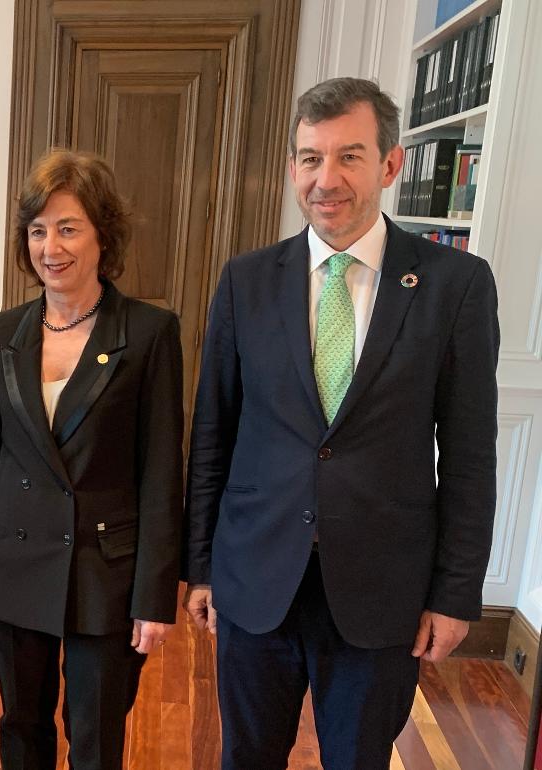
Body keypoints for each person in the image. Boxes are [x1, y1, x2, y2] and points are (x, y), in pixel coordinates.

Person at [184, 77, 500, 770]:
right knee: (247, 756)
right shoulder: (245, 280)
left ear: (391, 165)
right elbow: (214, 432)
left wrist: (455, 594)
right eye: (309, 158)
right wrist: (200, 566)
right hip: (256, 579)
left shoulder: (455, 285)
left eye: (348, 157)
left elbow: (471, 453)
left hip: (381, 592)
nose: (325, 179)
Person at [0, 149, 185, 770]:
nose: (51, 246)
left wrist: (155, 596)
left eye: (69, 227)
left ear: (104, 235)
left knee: (96, 735)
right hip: (13, 561)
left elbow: (162, 473)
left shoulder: (150, 331)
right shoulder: (4, 331)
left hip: (104, 571)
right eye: (37, 230)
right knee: (22, 726)